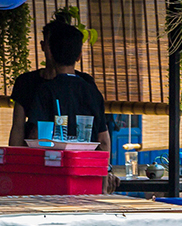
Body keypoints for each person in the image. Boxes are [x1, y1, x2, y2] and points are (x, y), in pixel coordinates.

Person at [7, 12, 110, 150]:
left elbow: (36, 135)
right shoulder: (27, 82)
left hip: (49, 160)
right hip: (85, 161)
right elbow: (103, 138)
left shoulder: (46, 90)